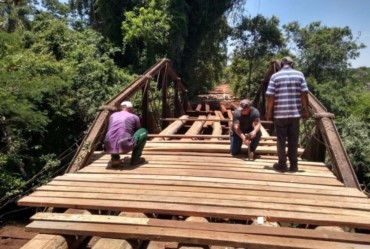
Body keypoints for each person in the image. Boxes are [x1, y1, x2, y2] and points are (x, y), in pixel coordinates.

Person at [266, 56, 309, 172]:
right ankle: (294, 165)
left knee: (281, 140)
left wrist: (269, 112)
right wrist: (306, 109)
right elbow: (304, 93)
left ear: (281, 64)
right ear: (292, 64)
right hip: (295, 114)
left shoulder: (275, 76)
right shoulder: (299, 75)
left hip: (280, 114)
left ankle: (282, 164)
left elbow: (271, 96)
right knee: (293, 140)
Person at [104, 101, 148, 167]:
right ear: (130, 108)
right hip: (125, 145)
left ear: (121, 108)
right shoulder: (134, 117)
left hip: (108, 145)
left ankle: (115, 159)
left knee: (113, 133)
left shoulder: (112, 116)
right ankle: (135, 159)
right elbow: (138, 129)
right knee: (143, 131)